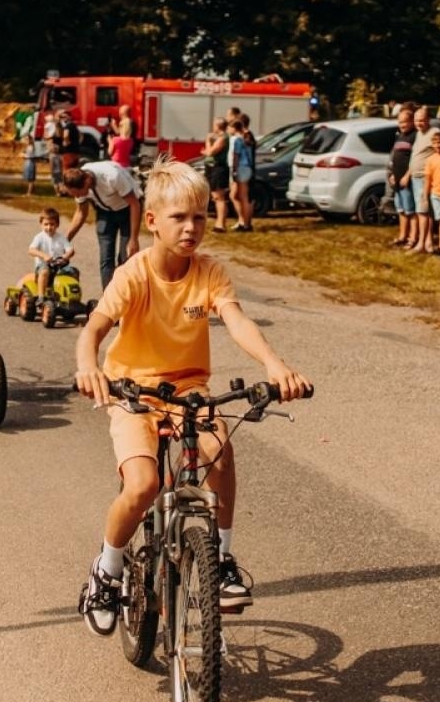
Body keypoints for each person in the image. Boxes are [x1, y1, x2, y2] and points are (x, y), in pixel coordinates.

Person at [74, 160, 311, 633]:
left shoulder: (210, 273)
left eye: (200, 217)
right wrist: (88, 367)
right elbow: (94, 329)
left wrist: (274, 364)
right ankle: (107, 569)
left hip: (187, 387)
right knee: (142, 485)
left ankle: (220, 559)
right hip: (132, 388)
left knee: (218, 452)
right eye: (180, 217)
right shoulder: (134, 274)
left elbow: (237, 320)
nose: (191, 228)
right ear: (153, 220)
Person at [61, 159, 142, 291]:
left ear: (87, 181)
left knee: (126, 258)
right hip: (105, 212)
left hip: (128, 211)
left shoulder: (112, 176)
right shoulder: (79, 180)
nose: (77, 197)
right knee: (106, 259)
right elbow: (81, 213)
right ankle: (108, 300)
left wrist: (134, 239)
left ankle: (125, 297)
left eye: (78, 194)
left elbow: (135, 204)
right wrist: (65, 240)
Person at [27, 206, 74, 299]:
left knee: (74, 272)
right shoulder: (39, 237)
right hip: (43, 265)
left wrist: (66, 256)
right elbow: (31, 250)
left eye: (52, 224)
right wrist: (43, 255)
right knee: (44, 272)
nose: (49, 227)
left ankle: (70, 296)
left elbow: (70, 250)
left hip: (59, 265)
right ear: (41, 224)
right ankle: (41, 297)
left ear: (57, 225)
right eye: (46, 224)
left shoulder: (61, 238)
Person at [407, 107, 436, 253]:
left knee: (423, 211)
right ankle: (427, 242)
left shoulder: (435, 133)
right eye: (417, 120)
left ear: (428, 120)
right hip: (415, 177)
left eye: (422, 120)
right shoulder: (419, 134)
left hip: (425, 177)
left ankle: (421, 243)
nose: (419, 123)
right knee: (422, 211)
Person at [387, 107, 416, 249]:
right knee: (401, 210)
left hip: (407, 180)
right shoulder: (399, 136)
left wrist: (407, 175)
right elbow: (394, 157)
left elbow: (415, 160)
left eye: (405, 122)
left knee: (410, 211)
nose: (402, 125)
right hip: (396, 179)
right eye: (400, 122)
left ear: (412, 122)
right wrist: (392, 174)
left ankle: (413, 238)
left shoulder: (414, 136)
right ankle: (402, 235)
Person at [204, 118, 231, 232]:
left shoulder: (223, 138)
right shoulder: (220, 138)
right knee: (215, 196)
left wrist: (208, 140)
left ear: (218, 126)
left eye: (214, 125)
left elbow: (210, 152)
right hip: (212, 168)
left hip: (218, 169)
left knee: (219, 196)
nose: (213, 127)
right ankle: (218, 223)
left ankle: (221, 224)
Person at [229, 119, 256, 231]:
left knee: (243, 197)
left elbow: (236, 156)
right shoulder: (247, 139)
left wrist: (234, 170)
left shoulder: (238, 140)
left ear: (235, 128)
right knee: (243, 196)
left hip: (241, 168)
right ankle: (245, 222)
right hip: (248, 168)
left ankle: (245, 224)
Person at [109, 104, 135, 170]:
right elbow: (123, 135)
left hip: (116, 164)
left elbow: (110, 152)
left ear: (121, 113)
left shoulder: (124, 122)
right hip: (127, 163)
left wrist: (110, 141)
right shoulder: (132, 123)